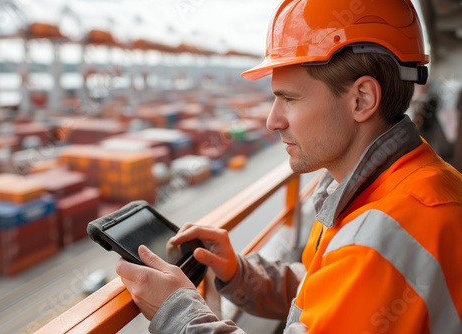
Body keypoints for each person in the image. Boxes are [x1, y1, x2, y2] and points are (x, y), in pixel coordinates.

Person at [116, 0, 462, 332]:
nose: (272, 120)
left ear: (362, 100)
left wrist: (176, 312)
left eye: (289, 99)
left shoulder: (386, 232)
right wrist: (238, 272)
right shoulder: (394, 184)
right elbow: (325, 288)